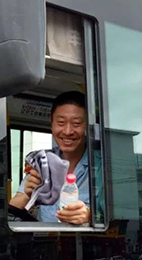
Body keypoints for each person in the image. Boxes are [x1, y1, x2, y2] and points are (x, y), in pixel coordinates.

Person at [10, 91, 102, 225]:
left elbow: (119, 216)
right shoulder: (42, 163)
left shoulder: (103, 166)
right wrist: (26, 195)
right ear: (51, 123)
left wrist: (90, 215)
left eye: (76, 124)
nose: (68, 131)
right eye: (61, 122)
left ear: (88, 126)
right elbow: (11, 212)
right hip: (45, 238)